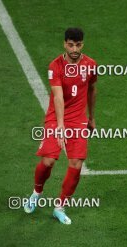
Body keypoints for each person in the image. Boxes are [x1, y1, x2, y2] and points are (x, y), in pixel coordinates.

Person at [23, 27, 97, 224]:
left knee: (76, 164)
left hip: (78, 119)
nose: (74, 48)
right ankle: (36, 193)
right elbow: (57, 96)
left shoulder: (91, 65)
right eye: (71, 44)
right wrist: (61, 126)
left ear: (82, 44)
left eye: (78, 44)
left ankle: (60, 207)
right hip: (56, 118)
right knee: (48, 161)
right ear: (65, 44)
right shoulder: (55, 66)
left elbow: (91, 90)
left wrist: (92, 117)